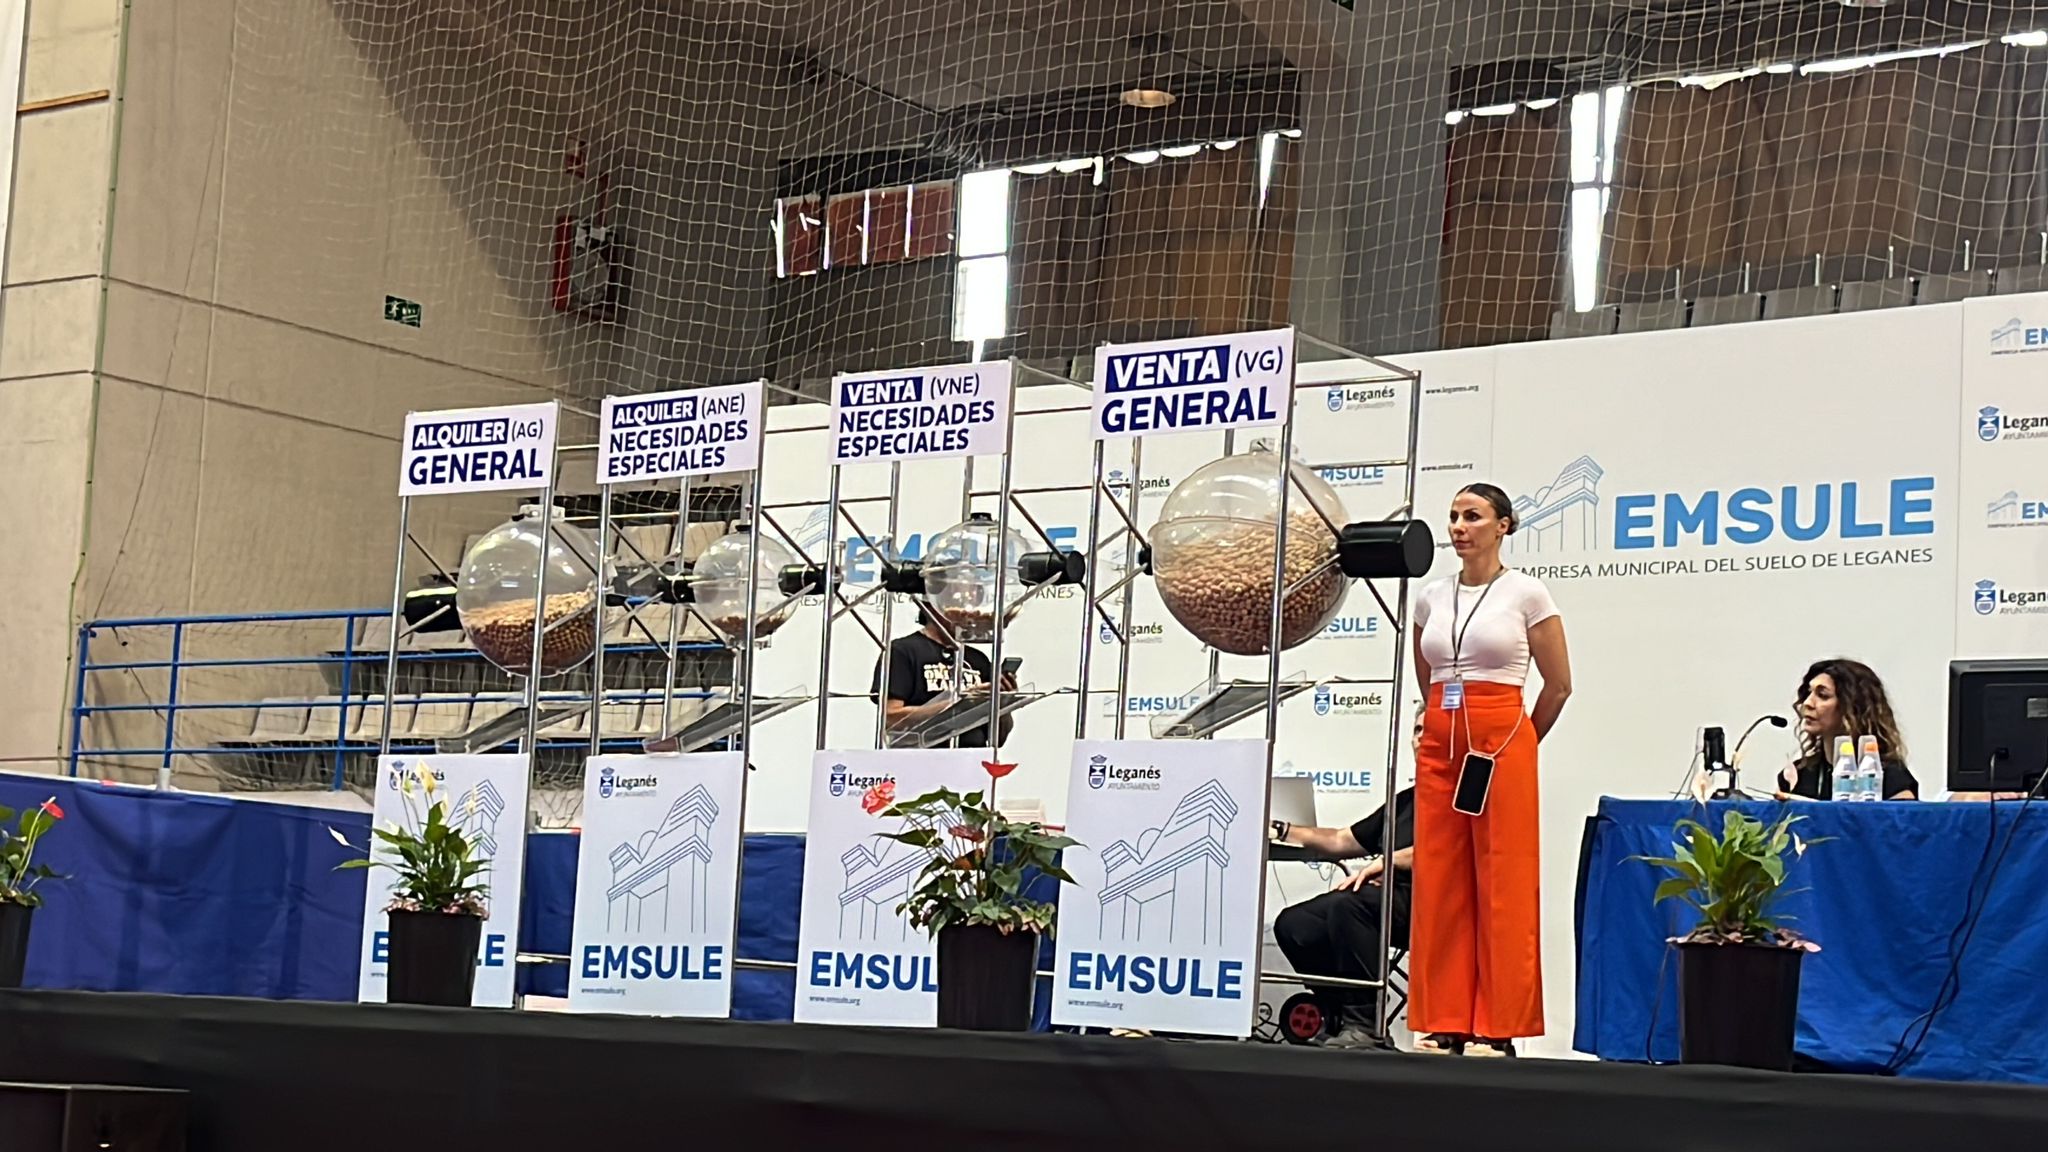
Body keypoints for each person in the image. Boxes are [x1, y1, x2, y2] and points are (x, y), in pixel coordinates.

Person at [1408, 482, 1572, 1058]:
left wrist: (1520, 743)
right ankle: (1444, 1018)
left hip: (1501, 740)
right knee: (1439, 881)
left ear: (1503, 526)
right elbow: (1428, 678)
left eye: (1472, 516)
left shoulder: (1527, 593)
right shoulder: (1431, 596)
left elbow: (1559, 685)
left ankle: (1498, 1026)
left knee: (1502, 881)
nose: (1459, 526)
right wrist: (1434, 728)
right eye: (1453, 516)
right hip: (1442, 741)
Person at [1270, 708, 1421, 1049]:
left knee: (1347, 906)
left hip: (1434, 905)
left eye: (1431, 731)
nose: (1422, 739)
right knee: (1295, 923)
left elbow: (1452, 849)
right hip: (1383, 902)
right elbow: (1341, 840)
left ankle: (1366, 1025)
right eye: (1417, 730)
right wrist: (1280, 829)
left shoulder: (1462, 795)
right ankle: (1337, 1013)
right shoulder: (1404, 802)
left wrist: (1390, 862)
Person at [870, 606, 1015, 748]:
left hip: (972, 758)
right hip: (921, 758)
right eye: (957, 604)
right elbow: (890, 718)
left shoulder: (978, 659)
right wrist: (963, 703)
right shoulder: (902, 651)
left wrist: (1003, 703)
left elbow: (999, 738)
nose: (966, 613)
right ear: (932, 606)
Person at [1778, 658, 1918, 801]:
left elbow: (1904, 815)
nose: (1807, 703)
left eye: (1823, 695)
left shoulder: (1890, 777)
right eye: (1808, 693)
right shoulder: (1798, 776)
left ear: (1853, 707)